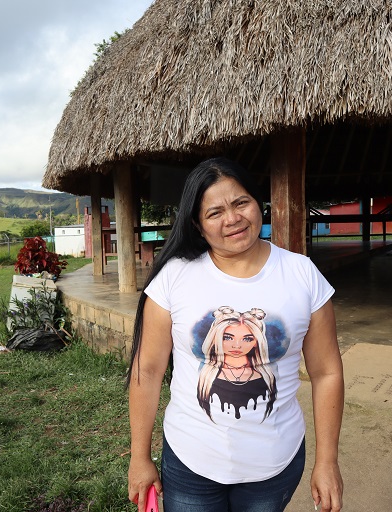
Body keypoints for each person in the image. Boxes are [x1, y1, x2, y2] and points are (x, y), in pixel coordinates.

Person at [127, 157, 344, 512]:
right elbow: (147, 370)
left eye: (241, 202)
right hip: (189, 461)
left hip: (275, 464)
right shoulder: (174, 278)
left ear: (259, 203)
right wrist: (139, 457)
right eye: (214, 212)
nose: (233, 218)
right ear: (197, 224)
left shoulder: (302, 274)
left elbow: (327, 372)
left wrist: (327, 461)